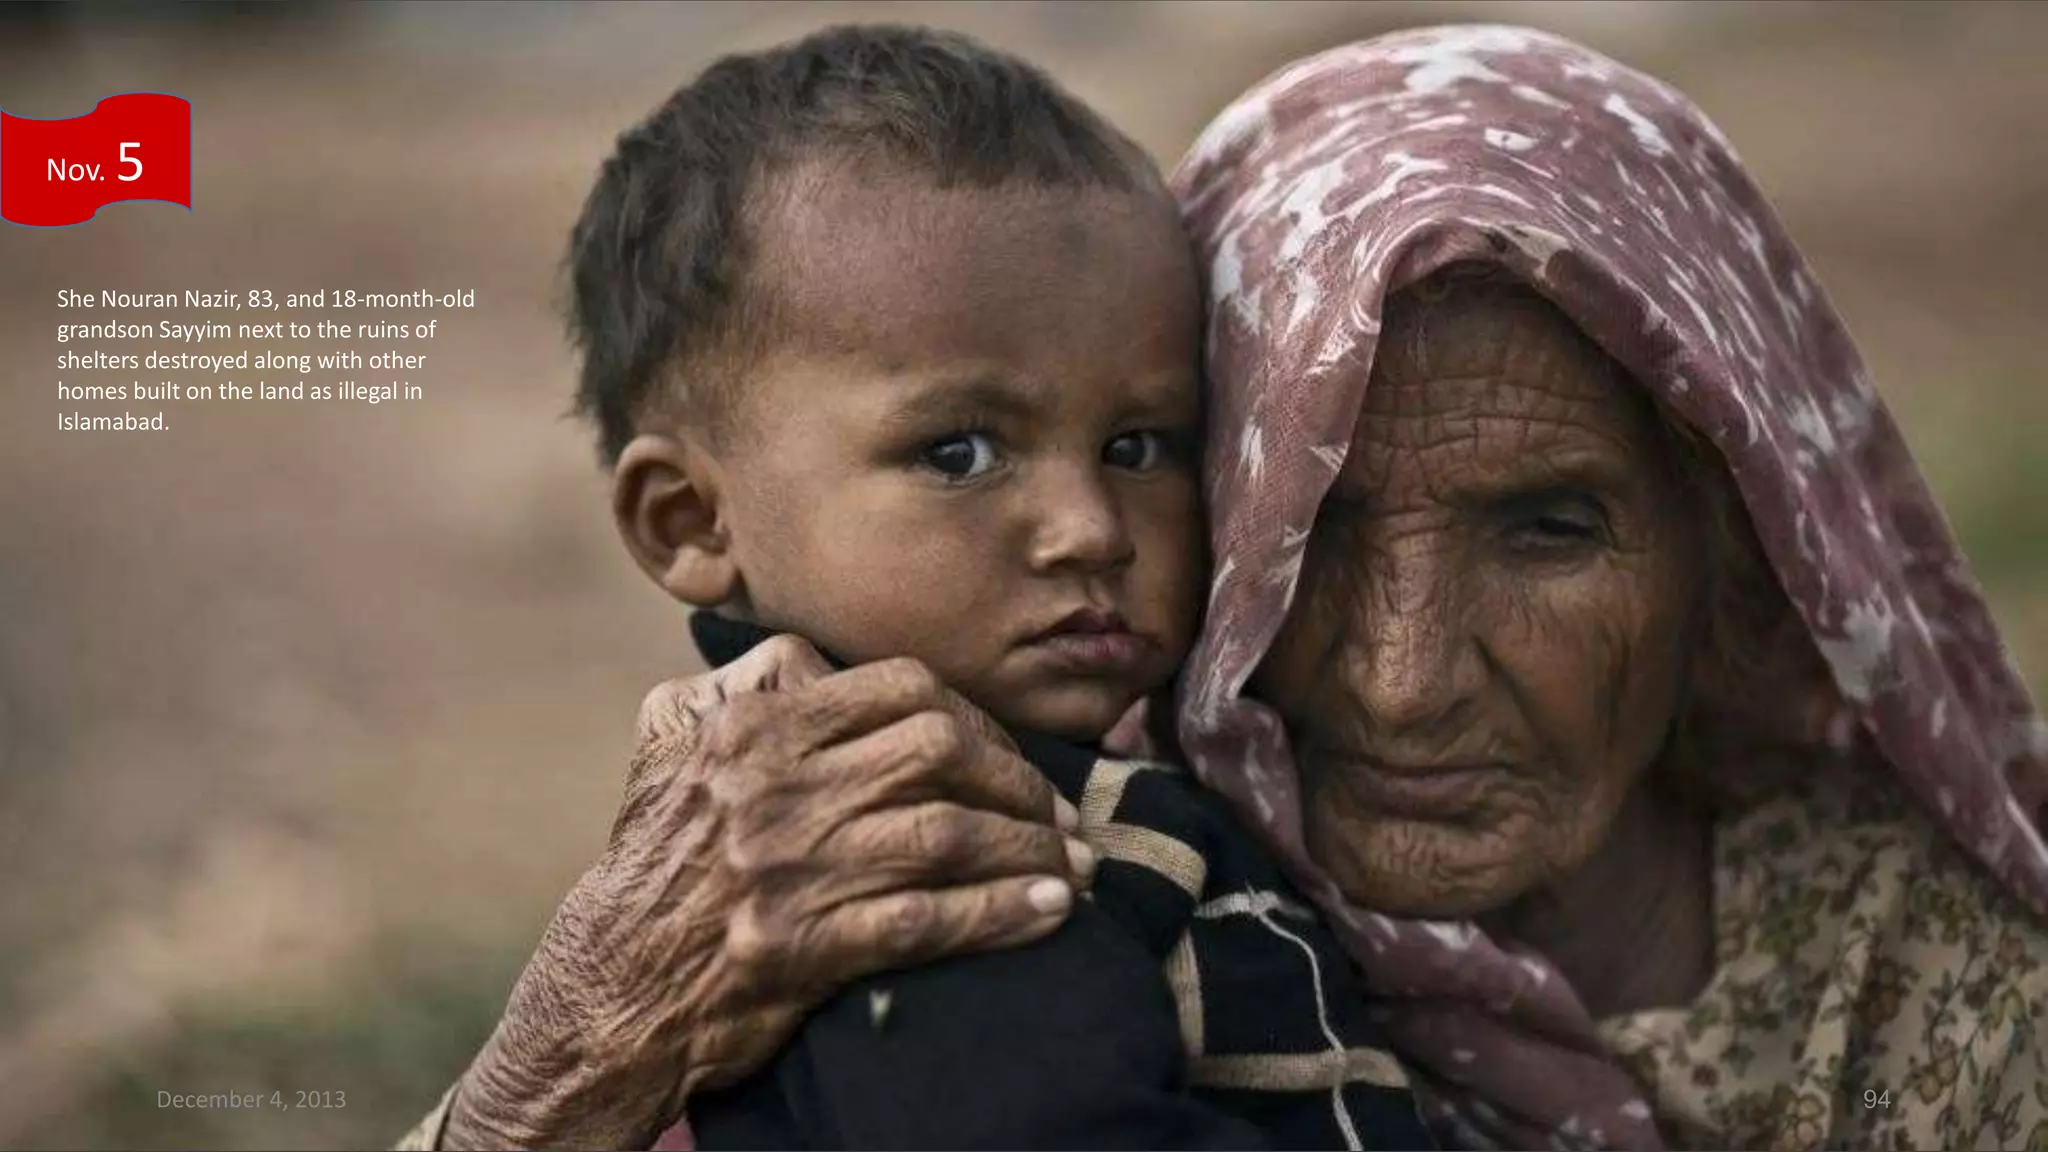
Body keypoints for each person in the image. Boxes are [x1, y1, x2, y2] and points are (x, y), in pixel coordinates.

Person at [404, 23, 2048, 1152]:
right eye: (1305, 525)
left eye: (1547, 529)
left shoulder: (1942, 998)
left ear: (1735, 539)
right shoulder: (856, 852)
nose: (1399, 681)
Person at [406, 23, 1431, 1151]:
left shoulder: (1103, 790)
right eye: (958, 454)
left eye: (1138, 446)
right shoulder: (917, 853)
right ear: (691, 521)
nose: (1089, 530)